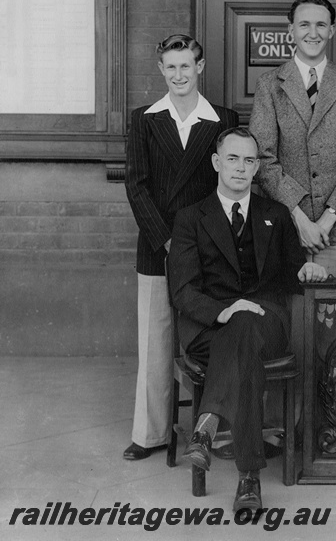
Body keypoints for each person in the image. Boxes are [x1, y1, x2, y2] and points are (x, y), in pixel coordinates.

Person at [168, 128, 327, 511]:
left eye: (250, 160)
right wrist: (225, 310)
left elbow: (290, 275)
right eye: (234, 159)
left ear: (258, 167)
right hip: (210, 325)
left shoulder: (275, 215)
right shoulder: (191, 218)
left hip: (266, 320)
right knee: (241, 337)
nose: (241, 168)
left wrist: (308, 271)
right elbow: (184, 291)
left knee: (247, 327)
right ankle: (249, 478)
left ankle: (206, 424)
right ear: (217, 163)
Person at [124, 34, 239, 461]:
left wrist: (196, 241)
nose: (178, 75)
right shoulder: (144, 119)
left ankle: (216, 432)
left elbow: (228, 183)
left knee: (212, 335)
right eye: (170, 68)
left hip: (209, 247)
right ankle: (149, 433)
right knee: (155, 342)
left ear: (200, 66)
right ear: (161, 70)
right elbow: (136, 187)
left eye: (186, 67)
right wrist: (168, 239)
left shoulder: (223, 119)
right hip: (158, 247)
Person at [249, 0, 336, 278]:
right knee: (290, 317)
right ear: (290, 30)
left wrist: (327, 220)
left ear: (331, 30)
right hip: (286, 227)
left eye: (321, 25)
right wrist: (301, 220)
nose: (313, 33)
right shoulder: (270, 85)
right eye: (304, 24)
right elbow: (262, 157)